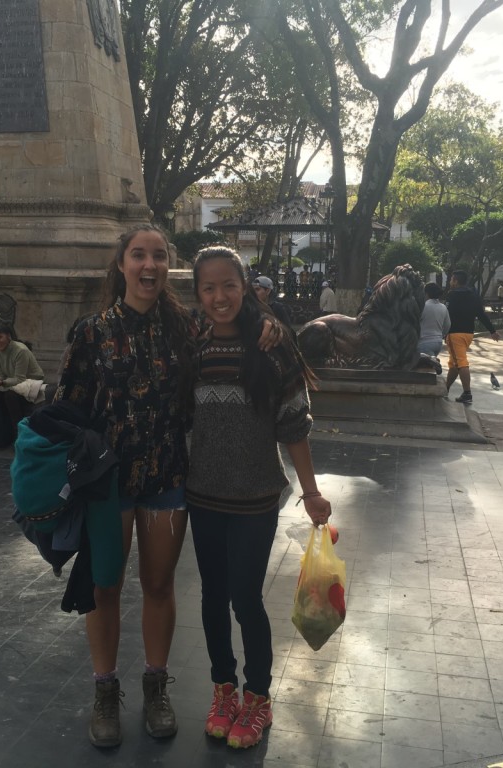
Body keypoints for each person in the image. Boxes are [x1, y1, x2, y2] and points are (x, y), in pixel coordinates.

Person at [55, 224, 283, 748]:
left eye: (159, 255)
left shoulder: (186, 328)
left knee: (159, 586)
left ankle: (156, 686)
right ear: (121, 264)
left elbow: (239, 323)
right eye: (139, 255)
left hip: (166, 478)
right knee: (104, 586)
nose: (149, 265)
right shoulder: (90, 332)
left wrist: (272, 325)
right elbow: (67, 409)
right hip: (107, 484)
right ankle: (105, 691)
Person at [187, 246, 330, 750]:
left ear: (245, 287)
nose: (219, 296)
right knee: (211, 595)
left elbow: (294, 423)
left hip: (255, 496)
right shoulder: (193, 343)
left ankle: (258, 696)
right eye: (209, 287)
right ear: (197, 293)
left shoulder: (272, 346)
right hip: (202, 494)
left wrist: (311, 492)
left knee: (245, 598)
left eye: (229, 285)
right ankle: (223, 689)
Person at [0, 325, 44, 449]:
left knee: (10, 396)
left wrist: (2, 382)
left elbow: (20, 378)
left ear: (9, 336)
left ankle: (19, 434)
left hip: (29, 381)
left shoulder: (20, 350)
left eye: (0, 337)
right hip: (9, 381)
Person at [444, 270, 500, 404]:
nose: (451, 282)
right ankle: (445, 389)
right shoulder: (474, 295)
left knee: (461, 363)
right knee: (454, 364)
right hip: (468, 333)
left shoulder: (452, 295)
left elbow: (446, 314)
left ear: (456, 281)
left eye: (452, 279)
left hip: (454, 333)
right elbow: (481, 314)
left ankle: (467, 393)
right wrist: (492, 331)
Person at [418, 282, 450, 356]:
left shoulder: (423, 307)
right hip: (438, 342)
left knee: (424, 366)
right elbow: (448, 325)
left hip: (424, 342)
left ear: (426, 293)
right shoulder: (443, 307)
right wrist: (442, 335)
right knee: (432, 365)